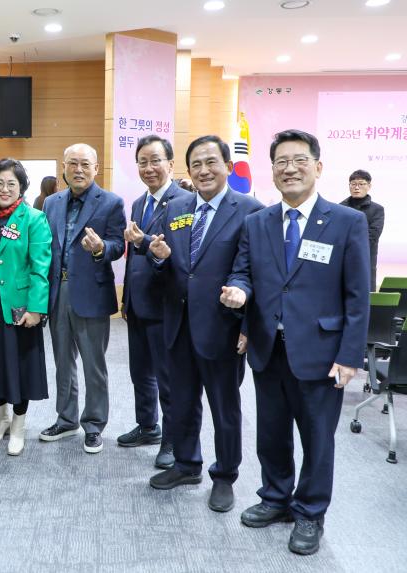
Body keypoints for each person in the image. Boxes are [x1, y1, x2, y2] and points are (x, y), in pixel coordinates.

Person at [221, 129, 370, 555]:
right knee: (271, 433)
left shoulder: (347, 222)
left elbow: (357, 295)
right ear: (271, 171)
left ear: (318, 167)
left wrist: (349, 355)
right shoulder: (257, 222)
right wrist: (239, 293)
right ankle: (275, 498)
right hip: (269, 347)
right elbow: (244, 272)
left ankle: (310, 512)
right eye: (281, 161)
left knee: (318, 439)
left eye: (298, 160)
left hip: (322, 354)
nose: (289, 168)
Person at [147, 135, 263, 513]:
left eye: (211, 162)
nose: (203, 170)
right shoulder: (176, 207)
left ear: (228, 166)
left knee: (224, 407)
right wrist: (161, 259)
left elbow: (257, 273)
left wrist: (246, 321)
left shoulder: (250, 210)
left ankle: (225, 475)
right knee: (181, 401)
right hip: (178, 325)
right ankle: (186, 464)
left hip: (223, 328)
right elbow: (171, 268)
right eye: (196, 163)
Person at [39, 143, 126, 454]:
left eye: (85, 164)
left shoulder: (111, 202)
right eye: (73, 163)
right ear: (64, 166)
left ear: (96, 168)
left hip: (91, 292)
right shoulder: (51, 202)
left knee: (94, 364)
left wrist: (101, 247)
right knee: (63, 361)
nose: (78, 170)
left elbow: (119, 244)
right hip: (57, 291)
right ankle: (66, 419)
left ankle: (94, 424)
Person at [118, 135, 192, 471]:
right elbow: (135, 257)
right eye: (143, 162)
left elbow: (182, 256)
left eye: (155, 160)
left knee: (168, 378)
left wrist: (145, 241)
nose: (149, 168)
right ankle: (148, 426)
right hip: (138, 305)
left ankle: (173, 442)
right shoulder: (138, 203)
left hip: (166, 307)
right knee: (140, 374)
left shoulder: (185, 202)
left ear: (171, 164)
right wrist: (126, 300)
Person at [0, 158, 52, 456]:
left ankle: (18, 424)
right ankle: (1, 419)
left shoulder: (33, 219)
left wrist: (36, 309)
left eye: (11, 184)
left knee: (19, 364)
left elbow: (41, 268)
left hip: (19, 304)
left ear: (21, 188)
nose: (4, 189)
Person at [340, 169, 384, 290]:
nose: (356, 187)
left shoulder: (377, 209)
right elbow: (337, 234)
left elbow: (373, 236)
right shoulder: (340, 208)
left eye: (361, 184)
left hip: (366, 260)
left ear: (369, 186)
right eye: (353, 184)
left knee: (366, 296)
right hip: (342, 260)